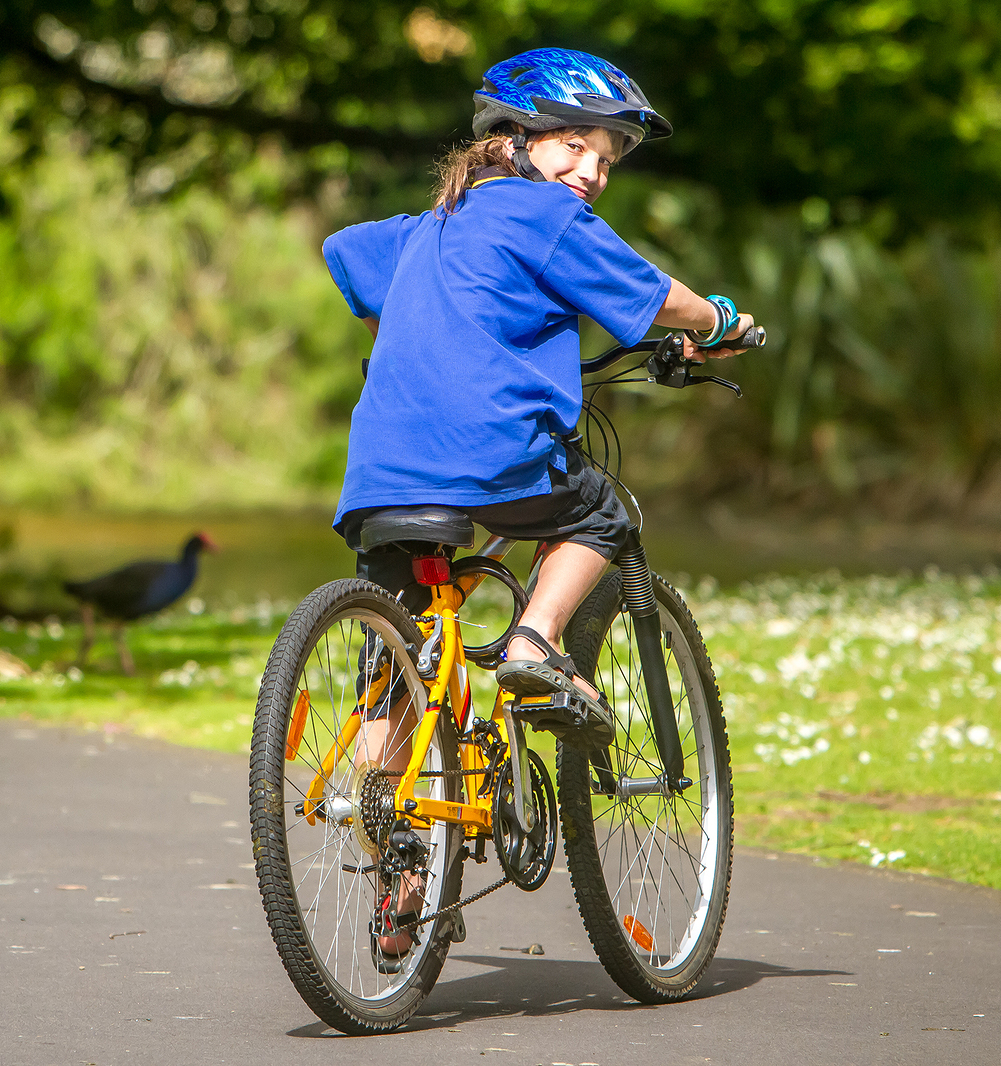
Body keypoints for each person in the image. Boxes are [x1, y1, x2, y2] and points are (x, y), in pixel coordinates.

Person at [320, 47, 755, 964]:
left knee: (400, 668)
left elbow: (344, 254)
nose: (592, 172)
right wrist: (718, 322)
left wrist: (415, 328)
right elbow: (652, 297)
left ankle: (397, 870)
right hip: (495, 453)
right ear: (514, 140)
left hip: (382, 469)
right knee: (600, 516)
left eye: (608, 157)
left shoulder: (432, 222)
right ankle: (536, 639)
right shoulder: (544, 212)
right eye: (577, 145)